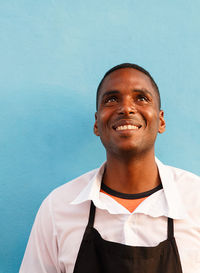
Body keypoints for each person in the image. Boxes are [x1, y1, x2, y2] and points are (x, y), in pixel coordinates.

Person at [20, 63, 200, 273]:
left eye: (141, 98)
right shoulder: (58, 207)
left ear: (161, 121)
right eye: (111, 99)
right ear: (97, 123)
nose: (126, 108)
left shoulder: (195, 200)